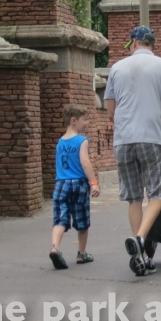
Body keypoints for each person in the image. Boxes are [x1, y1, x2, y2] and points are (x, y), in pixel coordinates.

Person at [104, 26, 161, 277]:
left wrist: (123, 123)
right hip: (151, 138)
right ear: (152, 44)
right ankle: (139, 239)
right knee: (158, 194)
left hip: (123, 140)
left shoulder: (116, 68)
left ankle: (144, 257)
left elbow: (110, 107)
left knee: (133, 197)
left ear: (133, 44)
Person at [49, 104, 100, 270]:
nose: (87, 123)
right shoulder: (82, 140)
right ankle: (81, 253)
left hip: (61, 184)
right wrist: (94, 182)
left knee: (60, 218)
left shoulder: (60, 142)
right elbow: (85, 163)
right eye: (85, 120)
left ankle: (55, 247)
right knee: (82, 220)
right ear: (73, 121)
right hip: (78, 183)